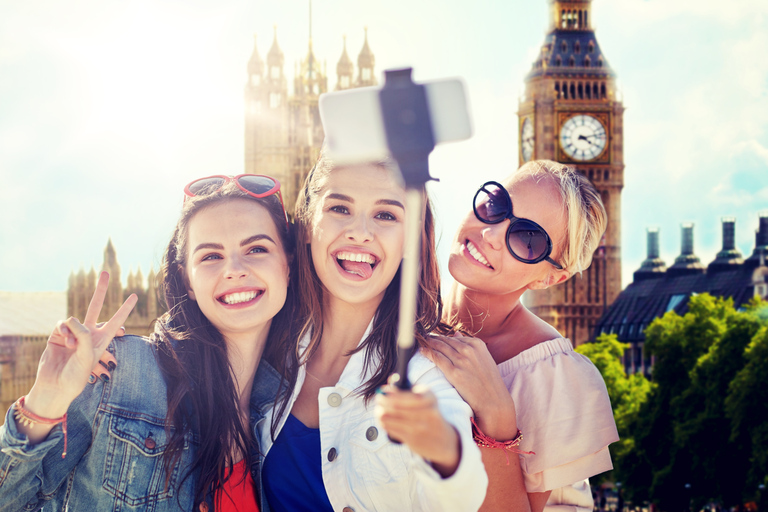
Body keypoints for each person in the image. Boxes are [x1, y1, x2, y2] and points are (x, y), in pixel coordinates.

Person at [0, 174, 294, 511]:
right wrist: (43, 404)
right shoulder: (120, 375)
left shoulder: (290, 409)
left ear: (288, 264)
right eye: (211, 256)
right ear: (187, 281)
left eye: (256, 248)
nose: (235, 269)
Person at [259, 155, 488, 511]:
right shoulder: (267, 346)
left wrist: (445, 451)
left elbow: (461, 495)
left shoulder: (424, 371)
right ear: (306, 225)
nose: (360, 231)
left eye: (386, 215)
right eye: (339, 208)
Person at [426, 160, 619, 512]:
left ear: (550, 278)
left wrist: (497, 419)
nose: (490, 233)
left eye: (527, 238)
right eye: (496, 205)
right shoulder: (396, 312)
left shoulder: (554, 379)